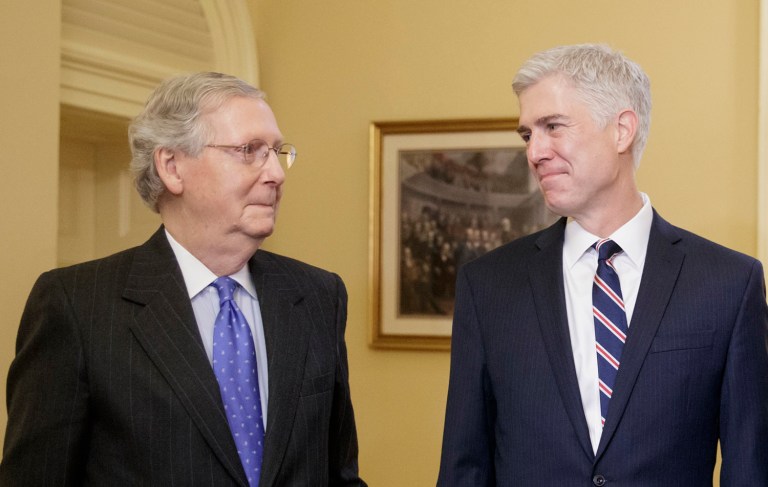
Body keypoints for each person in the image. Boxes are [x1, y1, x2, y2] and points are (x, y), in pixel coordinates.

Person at [0, 72, 366, 486]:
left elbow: (340, 474)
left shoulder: (318, 295)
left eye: (277, 152)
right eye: (250, 151)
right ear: (172, 167)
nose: (276, 174)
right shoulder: (77, 306)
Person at [437, 44, 768, 485]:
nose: (534, 152)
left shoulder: (729, 283)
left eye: (553, 126)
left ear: (622, 130)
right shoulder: (488, 285)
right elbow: (465, 468)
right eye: (527, 135)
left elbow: (750, 467)